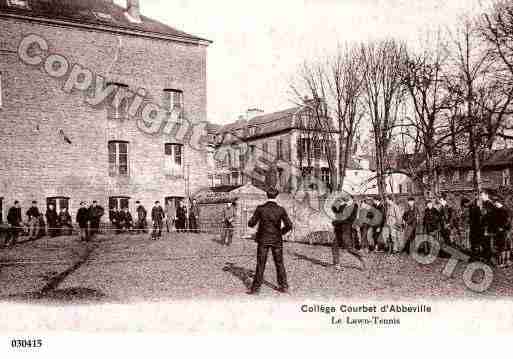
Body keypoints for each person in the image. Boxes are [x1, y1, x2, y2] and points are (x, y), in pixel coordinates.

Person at [247, 187, 293, 295]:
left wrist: (253, 221)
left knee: (260, 264)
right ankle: (284, 286)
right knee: (279, 263)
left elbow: (251, 223)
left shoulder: (260, 208)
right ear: (276, 196)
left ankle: (255, 289)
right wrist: (280, 233)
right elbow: (289, 225)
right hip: (277, 240)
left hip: (263, 240)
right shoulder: (281, 209)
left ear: (267, 195)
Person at [331, 195, 366, 271]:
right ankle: (336, 264)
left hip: (346, 230)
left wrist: (336, 222)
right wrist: (336, 202)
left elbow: (349, 219)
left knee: (349, 248)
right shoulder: (343, 206)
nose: (345, 198)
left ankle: (362, 257)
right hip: (339, 230)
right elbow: (334, 210)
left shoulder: (354, 207)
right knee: (334, 246)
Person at [490, 196, 511, 268]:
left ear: (497, 202)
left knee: (502, 247)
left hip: (503, 231)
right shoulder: (499, 210)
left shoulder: (503, 210)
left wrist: (502, 228)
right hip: (504, 231)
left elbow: (507, 221)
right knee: (505, 247)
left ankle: (503, 262)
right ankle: (506, 262)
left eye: (494, 202)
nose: (494, 204)